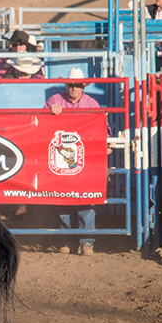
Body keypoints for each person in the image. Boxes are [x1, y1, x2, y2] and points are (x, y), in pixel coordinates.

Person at [45, 68, 103, 256]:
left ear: (83, 86)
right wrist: (50, 114)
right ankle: (69, 240)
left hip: (83, 159)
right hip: (60, 158)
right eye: (71, 85)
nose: (74, 88)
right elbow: (41, 125)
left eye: (77, 85)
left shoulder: (92, 104)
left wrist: (104, 144)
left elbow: (103, 129)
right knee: (62, 199)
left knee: (85, 198)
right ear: (67, 85)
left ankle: (86, 242)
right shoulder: (54, 101)